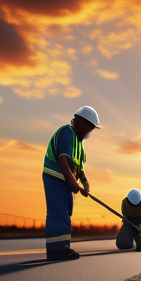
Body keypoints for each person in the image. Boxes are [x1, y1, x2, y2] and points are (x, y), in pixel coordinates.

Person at [41, 106, 100, 261]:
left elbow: (78, 169)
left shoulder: (79, 145)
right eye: (90, 127)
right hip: (55, 178)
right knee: (58, 213)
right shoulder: (67, 132)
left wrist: (85, 184)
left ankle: (63, 247)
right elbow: (62, 160)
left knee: (66, 213)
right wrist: (74, 184)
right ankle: (56, 251)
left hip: (64, 181)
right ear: (82, 122)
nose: (90, 131)